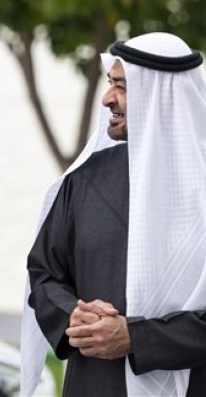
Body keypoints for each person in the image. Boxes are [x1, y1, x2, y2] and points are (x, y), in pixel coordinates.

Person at [21, 32, 206, 397]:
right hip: (95, 383)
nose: (107, 98)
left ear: (161, 95)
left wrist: (136, 338)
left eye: (121, 87)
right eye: (110, 84)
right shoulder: (84, 180)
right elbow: (44, 273)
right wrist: (73, 315)